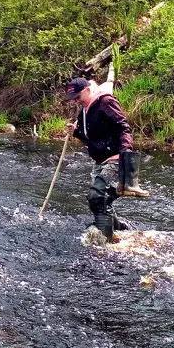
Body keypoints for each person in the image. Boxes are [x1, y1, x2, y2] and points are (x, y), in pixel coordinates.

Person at [65, 76, 149, 242]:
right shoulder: (84, 110)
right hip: (100, 162)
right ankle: (122, 231)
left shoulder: (105, 102)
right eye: (73, 98)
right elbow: (91, 137)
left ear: (87, 90)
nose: (76, 101)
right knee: (98, 201)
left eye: (78, 97)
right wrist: (75, 132)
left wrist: (125, 154)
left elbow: (123, 128)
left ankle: (106, 244)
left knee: (98, 196)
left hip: (116, 157)